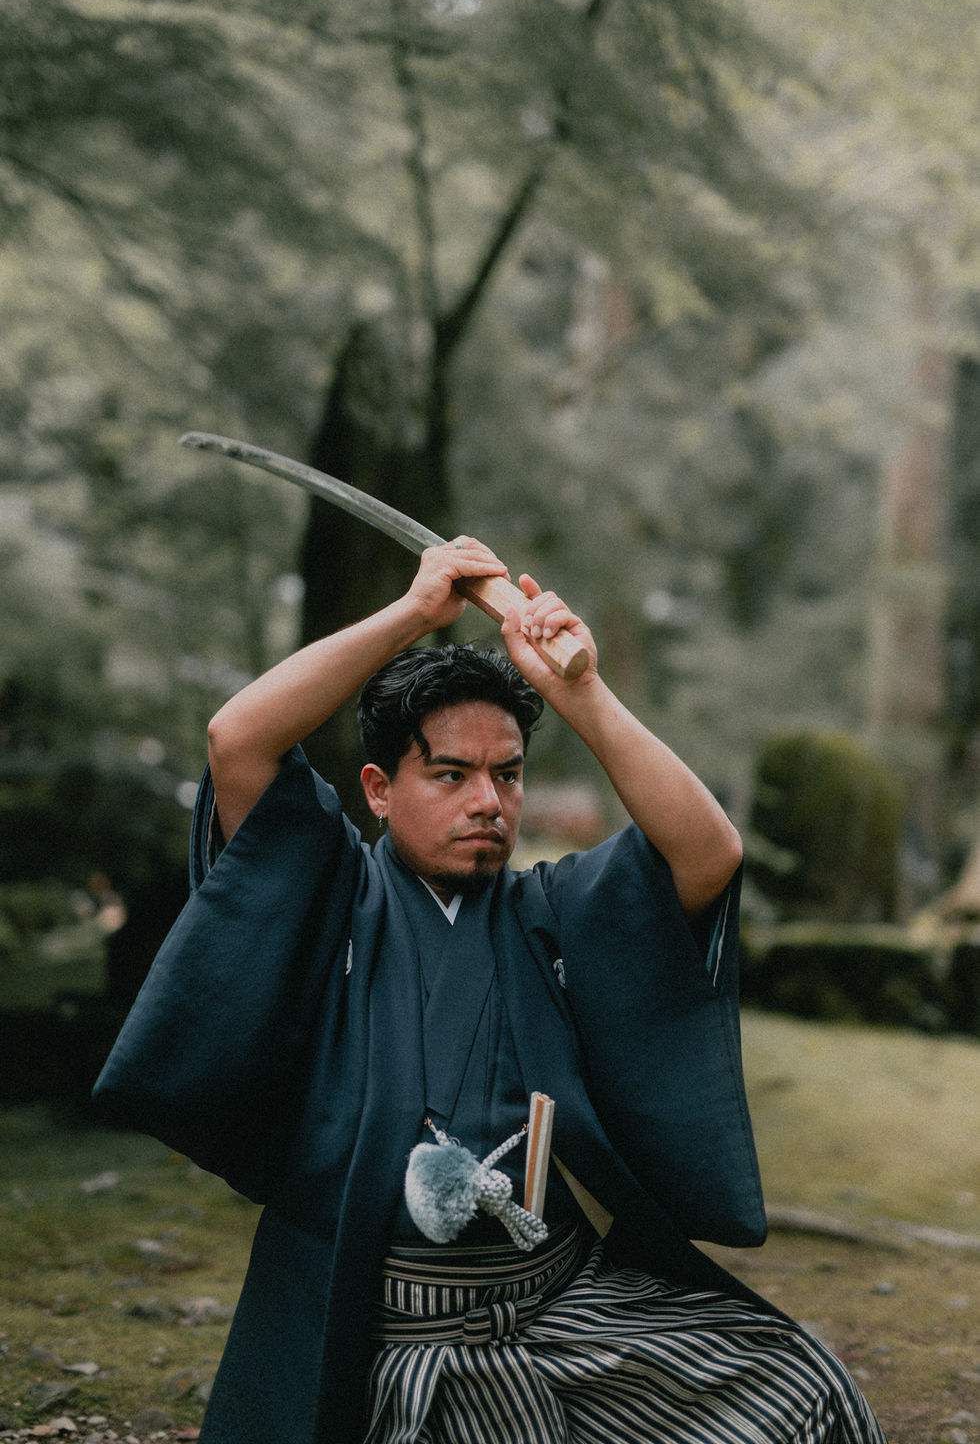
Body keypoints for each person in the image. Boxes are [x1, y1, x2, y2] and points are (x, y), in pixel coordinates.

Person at [94, 538, 887, 1444]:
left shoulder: (549, 913)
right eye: (451, 774)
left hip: (554, 1309)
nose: (489, 802)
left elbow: (708, 853)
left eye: (507, 775)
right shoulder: (330, 894)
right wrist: (413, 616)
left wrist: (576, 692)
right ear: (380, 789)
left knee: (801, 1394)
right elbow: (237, 736)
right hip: (378, 1326)